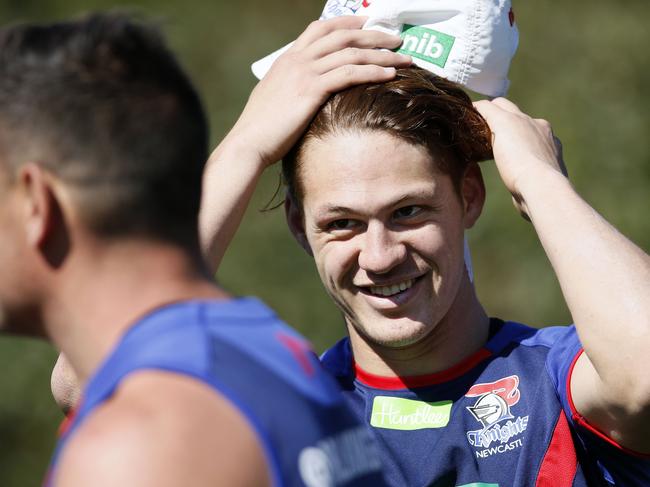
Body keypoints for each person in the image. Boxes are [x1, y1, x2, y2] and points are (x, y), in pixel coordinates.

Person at [199, 23, 650, 487]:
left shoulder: (557, 381)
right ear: (299, 224)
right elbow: (122, 362)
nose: (379, 257)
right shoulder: (287, 424)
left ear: (469, 197)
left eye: (408, 212)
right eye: (342, 224)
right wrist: (244, 146)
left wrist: (540, 179)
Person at [0, 12, 411, 486]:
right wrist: (246, 146)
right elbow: (78, 381)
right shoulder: (262, 354)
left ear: (35, 202)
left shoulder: (143, 441)